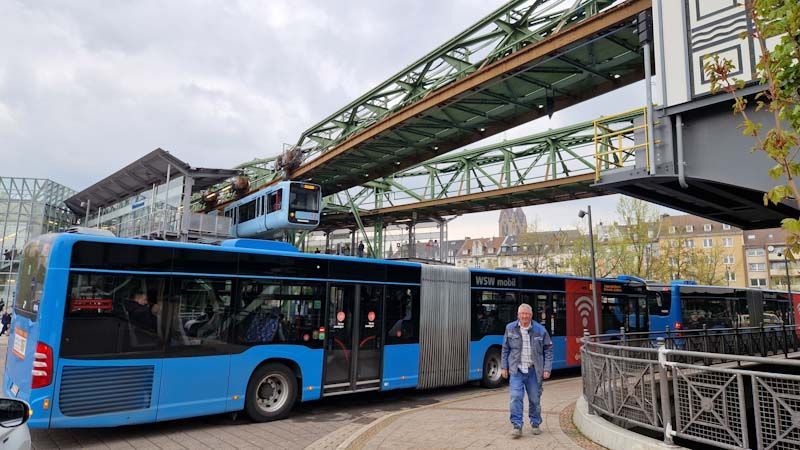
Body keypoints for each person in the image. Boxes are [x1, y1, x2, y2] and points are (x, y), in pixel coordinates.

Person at [501, 303, 553, 438]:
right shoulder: (510, 328)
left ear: (531, 315)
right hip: (516, 370)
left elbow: (548, 349)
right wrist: (504, 366)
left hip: (534, 371)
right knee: (515, 397)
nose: (524, 316)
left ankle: (535, 423)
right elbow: (505, 348)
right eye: (522, 314)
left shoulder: (540, 330)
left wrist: (547, 368)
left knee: (535, 399)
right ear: (518, 315)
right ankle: (517, 426)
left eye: (527, 314)